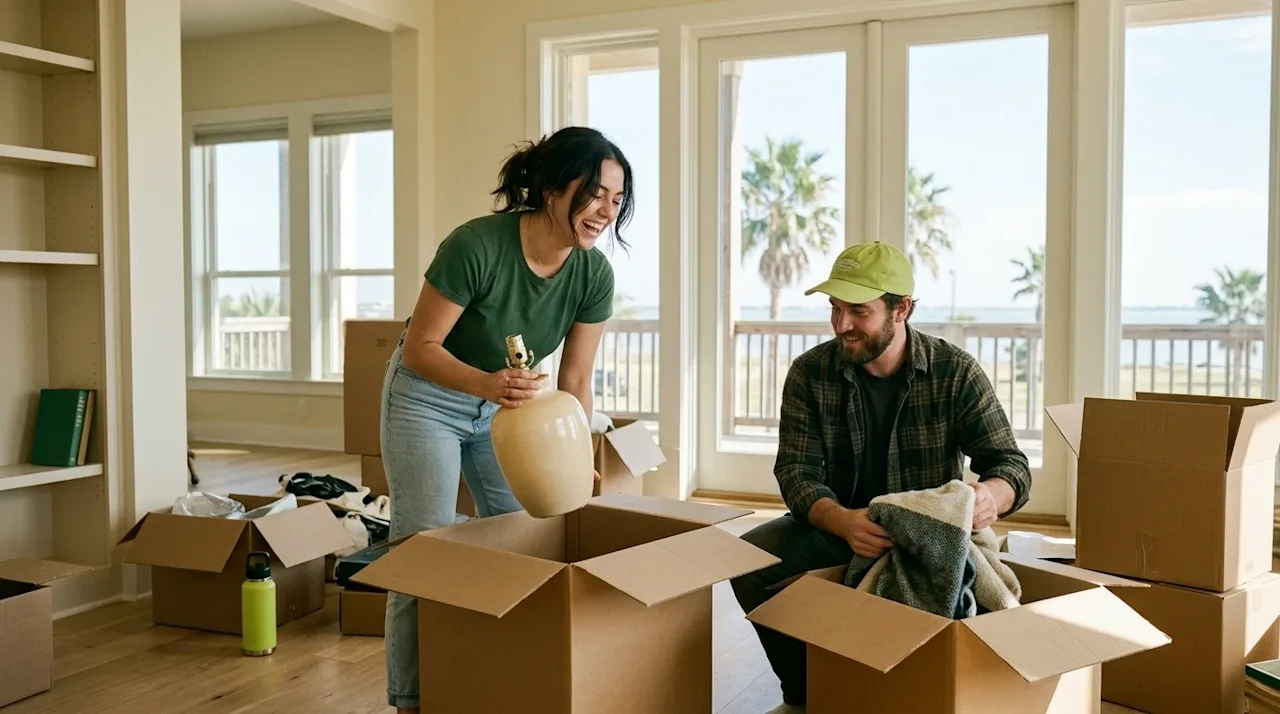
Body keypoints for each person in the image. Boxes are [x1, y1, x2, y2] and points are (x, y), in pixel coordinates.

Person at [378, 126, 633, 713]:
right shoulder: (476, 247)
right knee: (425, 545)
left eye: (616, 200)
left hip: (510, 406)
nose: (604, 211)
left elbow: (573, 382)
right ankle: (411, 700)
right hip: (427, 396)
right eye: (593, 192)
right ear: (550, 188)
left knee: (521, 535)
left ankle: (508, 675)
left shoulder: (594, 275)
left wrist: (580, 460)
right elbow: (421, 348)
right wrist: (484, 384)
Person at [729, 241, 1032, 709]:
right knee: (747, 561)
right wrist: (842, 522)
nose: (842, 325)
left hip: (928, 536)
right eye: (835, 309)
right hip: (845, 527)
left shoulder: (955, 373)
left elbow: (1010, 465)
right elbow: (795, 471)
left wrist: (991, 496)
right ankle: (805, 695)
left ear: (902, 309)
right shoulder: (810, 374)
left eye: (858, 311)